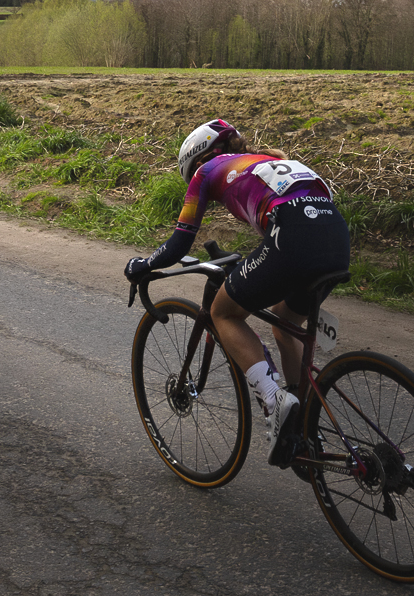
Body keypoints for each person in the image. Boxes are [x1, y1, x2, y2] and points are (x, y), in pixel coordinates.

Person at [124, 119, 351, 465]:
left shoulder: (207, 171)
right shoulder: (265, 161)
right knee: (283, 322)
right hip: (336, 237)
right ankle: (304, 429)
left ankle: (275, 401)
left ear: (200, 158)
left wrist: (143, 264)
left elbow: (179, 242)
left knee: (223, 312)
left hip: (292, 235)